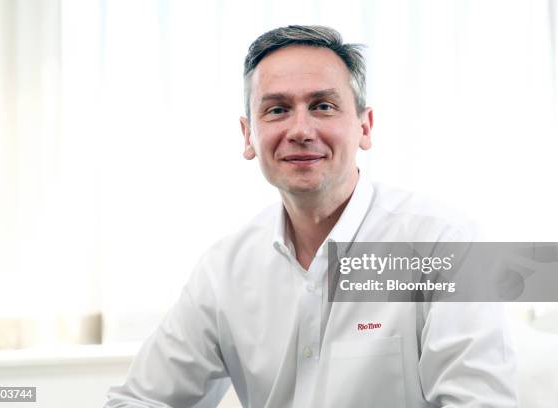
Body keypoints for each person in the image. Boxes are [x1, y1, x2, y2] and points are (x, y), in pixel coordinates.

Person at [105, 25, 518, 407]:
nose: (300, 129)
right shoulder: (224, 270)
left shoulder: (448, 243)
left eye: (322, 106)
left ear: (365, 128)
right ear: (249, 136)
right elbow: (136, 400)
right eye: (277, 110)